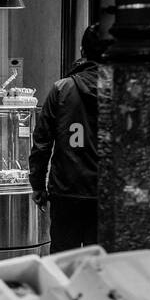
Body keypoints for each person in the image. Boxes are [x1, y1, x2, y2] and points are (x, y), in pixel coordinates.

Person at [29, 23, 105, 252]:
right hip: (103, 193)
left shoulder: (61, 89)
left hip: (66, 191)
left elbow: (42, 142)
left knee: (63, 263)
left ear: (82, 51)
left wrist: (38, 186)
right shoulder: (121, 91)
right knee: (100, 263)